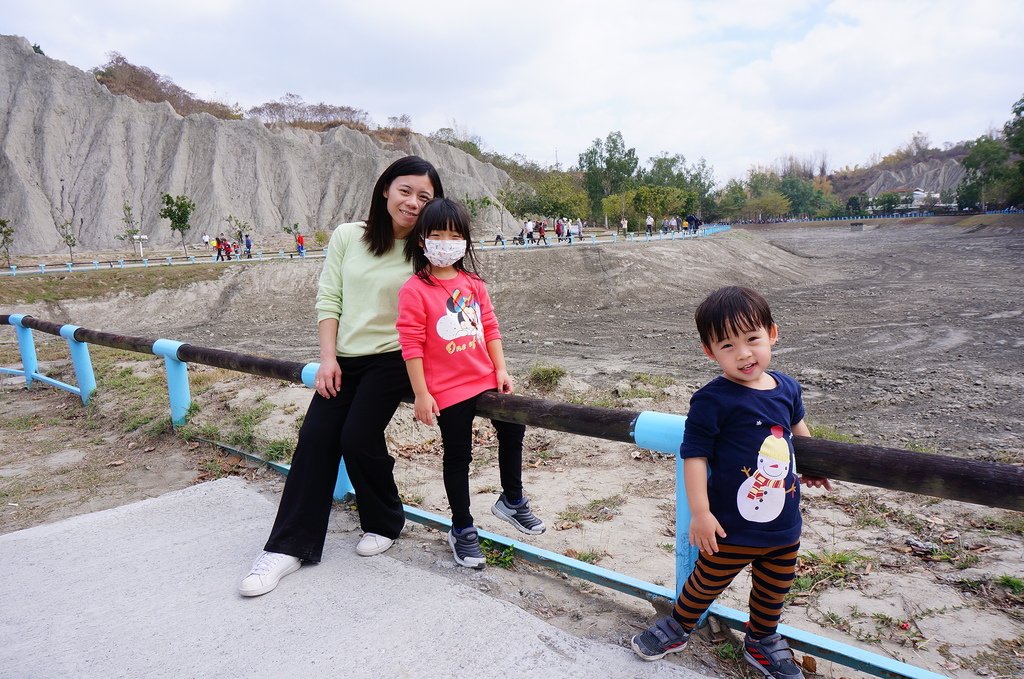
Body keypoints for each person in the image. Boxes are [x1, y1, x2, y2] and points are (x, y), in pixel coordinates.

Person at [238, 156, 444, 597]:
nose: (412, 202)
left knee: (355, 436)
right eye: (405, 190)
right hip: (345, 359)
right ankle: (287, 547)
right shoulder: (349, 236)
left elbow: (455, 303)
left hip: (396, 358)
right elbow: (329, 298)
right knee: (315, 438)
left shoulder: (428, 250)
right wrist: (327, 358)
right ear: (385, 189)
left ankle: (384, 521)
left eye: (424, 197)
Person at [630, 286, 831, 679]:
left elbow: (796, 429)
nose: (743, 354)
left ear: (772, 333)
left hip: (784, 525)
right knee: (704, 582)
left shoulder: (787, 388)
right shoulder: (712, 399)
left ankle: (762, 639)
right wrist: (701, 513)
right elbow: (695, 455)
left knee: (774, 590)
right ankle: (678, 625)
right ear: (710, 352)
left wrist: (812, 461)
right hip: (730, 526)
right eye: (727, 345)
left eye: (752, 339)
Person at [396, 198, 546, 569]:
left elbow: (489, 327)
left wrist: (501, 369)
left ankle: (511, 499)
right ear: (421, 241)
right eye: (436, 234)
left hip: (485, 378)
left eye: (454, 235)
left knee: (513, 428)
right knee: (458, 454)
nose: (445, 242)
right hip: (447, 389)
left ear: (464, 241)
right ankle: (462, 528)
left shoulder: (474, 283)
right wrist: (421, 393)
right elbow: (410, 344)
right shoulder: (414, 290)